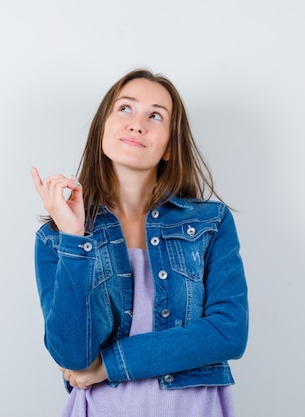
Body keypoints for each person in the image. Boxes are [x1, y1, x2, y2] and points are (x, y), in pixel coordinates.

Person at [30, 68, 248, 417]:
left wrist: (109, 365)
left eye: (155, 116)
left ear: (168, 148)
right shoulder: (55, 239)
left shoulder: (211, 223)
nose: (137, 124)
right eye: (125, 109)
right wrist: (73, 238)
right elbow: (72, 356)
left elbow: (229, 332)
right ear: (104, 127)